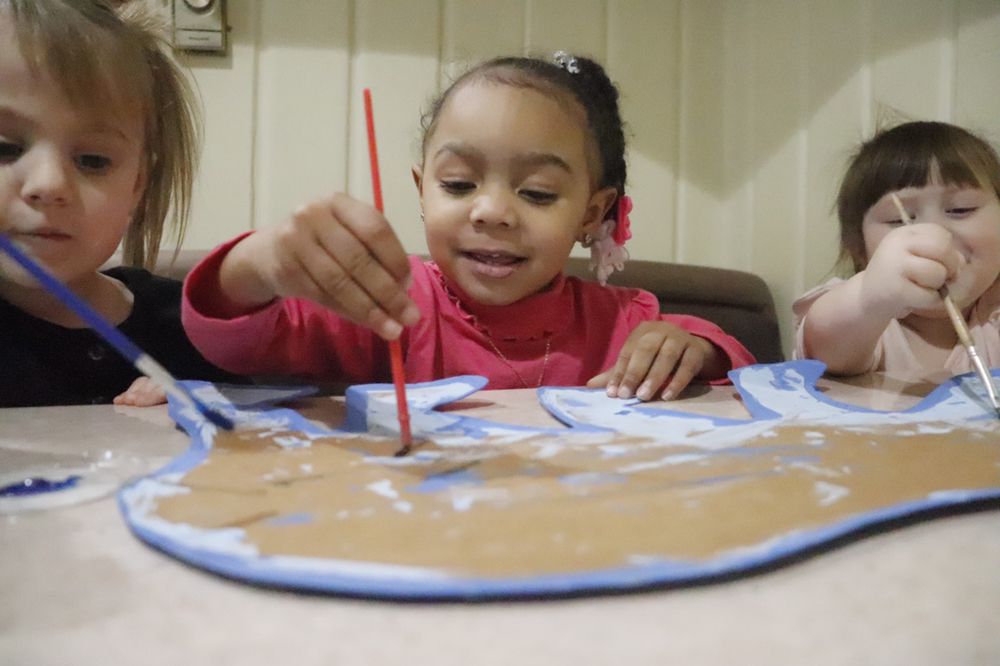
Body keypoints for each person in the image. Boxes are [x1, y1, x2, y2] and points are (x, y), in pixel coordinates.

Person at [182, 53, 755, 401]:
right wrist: (257, 264)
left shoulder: (621, 321)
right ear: (422, 190)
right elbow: (231, 341)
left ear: (590, 214)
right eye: (458, 184)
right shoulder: (386, 304)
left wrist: (697, 350)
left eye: (536, 192)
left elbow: (739, 367)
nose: (491, 212)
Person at [0, 0, 239, 407]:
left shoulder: (187, 328)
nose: (49, 184)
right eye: (5, 148)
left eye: (93, 160)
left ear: (137, 186)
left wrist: (199, 402)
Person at [793, 121, 1000, 375]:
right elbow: (824, 350)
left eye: (960, 209)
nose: (933, 233)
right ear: (860, 248)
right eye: (899, 220)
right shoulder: (864, 312)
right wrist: (869, 299)